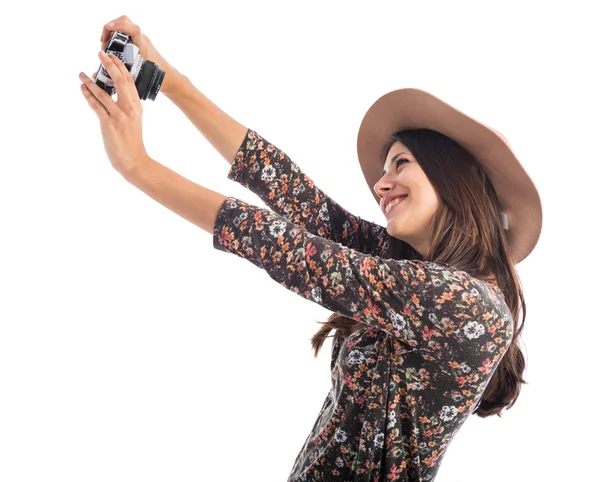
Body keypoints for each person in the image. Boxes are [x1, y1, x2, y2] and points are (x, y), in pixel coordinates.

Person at [82, 17, 542, 482]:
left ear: (454, 178)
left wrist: (138, 167)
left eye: (400, 163)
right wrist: (167, 79)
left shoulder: (469, 306)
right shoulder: (414, 274)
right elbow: (295, 195)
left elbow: (288, 249)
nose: (381, 185)